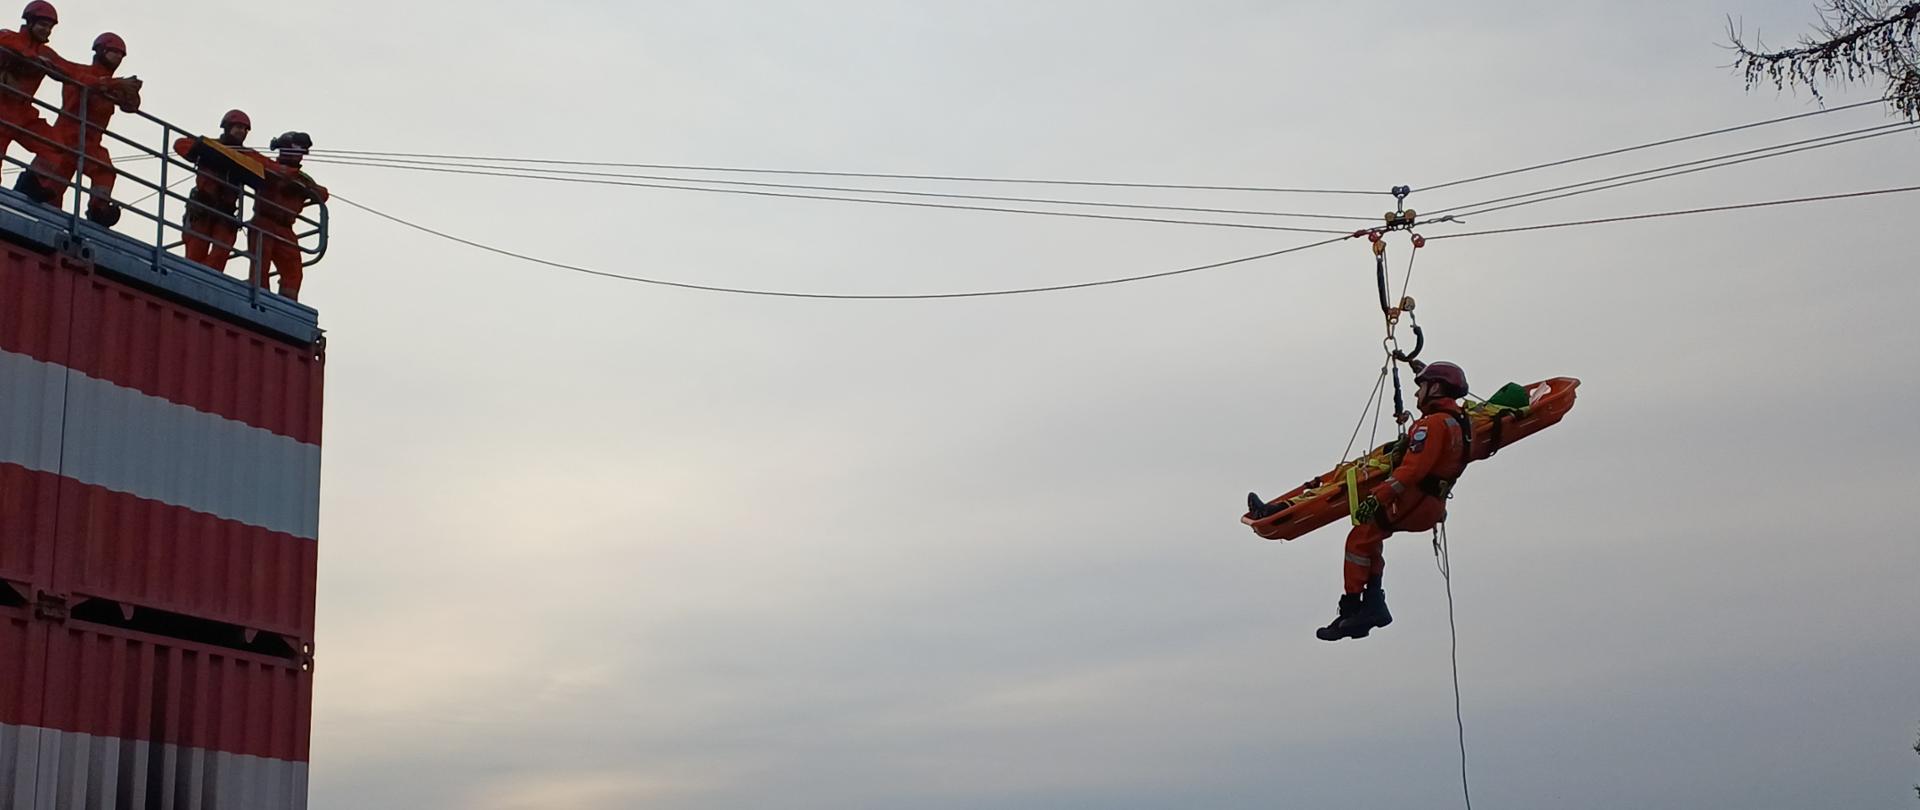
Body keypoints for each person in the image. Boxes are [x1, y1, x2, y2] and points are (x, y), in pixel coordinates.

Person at [1311, 361, 1474, 641]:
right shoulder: (1460, 420)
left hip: (1418, 500)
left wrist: (1377, 498)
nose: (1415, 395)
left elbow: (1411, 470)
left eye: (1421, 387)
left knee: (1359, 539)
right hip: (1431, 502)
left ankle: (1354, 608)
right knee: (1371, 537)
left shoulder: (1432, 425)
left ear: (1434, 388)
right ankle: (1372, 606)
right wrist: (1415, 365)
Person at [20, 31, 139, 222]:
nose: (117, 57)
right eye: (113, 52)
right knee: (49, 186)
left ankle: (98, 210)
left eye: (120, 54)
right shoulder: (78, 70)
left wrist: (131, 92)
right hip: (64, 139)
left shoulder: (117, 86)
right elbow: (83, 81)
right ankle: (31, 193)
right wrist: (116, 84)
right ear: (100, 51)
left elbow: (132, 106)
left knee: (105, 171)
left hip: (90, 144)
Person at [0, 1, 83, 181]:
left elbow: (73, 71)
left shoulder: (46, 54)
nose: (46, 30)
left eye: (50, 27)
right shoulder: (9, 36)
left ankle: (31, 184)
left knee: (55, 147)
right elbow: (7, 43)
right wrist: (32, 58)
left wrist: (107, 83)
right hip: (2, 110)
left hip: (24, 114)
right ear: (30, 22)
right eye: (43, 25)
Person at [174, 109, 261, 270]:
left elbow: (265, 168)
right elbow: (180, 144)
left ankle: (207, 280)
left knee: (221, 251)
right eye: (238, 127)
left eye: (244, 129)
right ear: (227, 127)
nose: (241, 132)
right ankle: (193, 276)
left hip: (225, 212)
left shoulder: (248, 157)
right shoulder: (211, 145)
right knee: (195, 251)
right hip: (202, 207)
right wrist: (209, 150)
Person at [248, 131, 326, 300]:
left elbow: (323, 194)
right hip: (264, 221)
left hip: (286, 229)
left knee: (293, 270)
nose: (299, 157)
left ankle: (287, 304)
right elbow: (254, 161)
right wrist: (284, 175)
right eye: (297, 150)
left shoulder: (303, 178)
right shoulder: (266, 166)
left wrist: (302, 187)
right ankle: (259, 301)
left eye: (301, 152)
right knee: (260, 265)